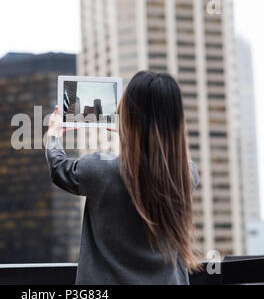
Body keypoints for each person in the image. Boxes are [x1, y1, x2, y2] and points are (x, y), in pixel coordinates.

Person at [45, 71, 201, 285]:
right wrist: (133, 132)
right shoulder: (187, 175)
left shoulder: (100, 171)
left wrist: (53, 135)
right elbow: (154, 161)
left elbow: (58, 168)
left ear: (127, 115)